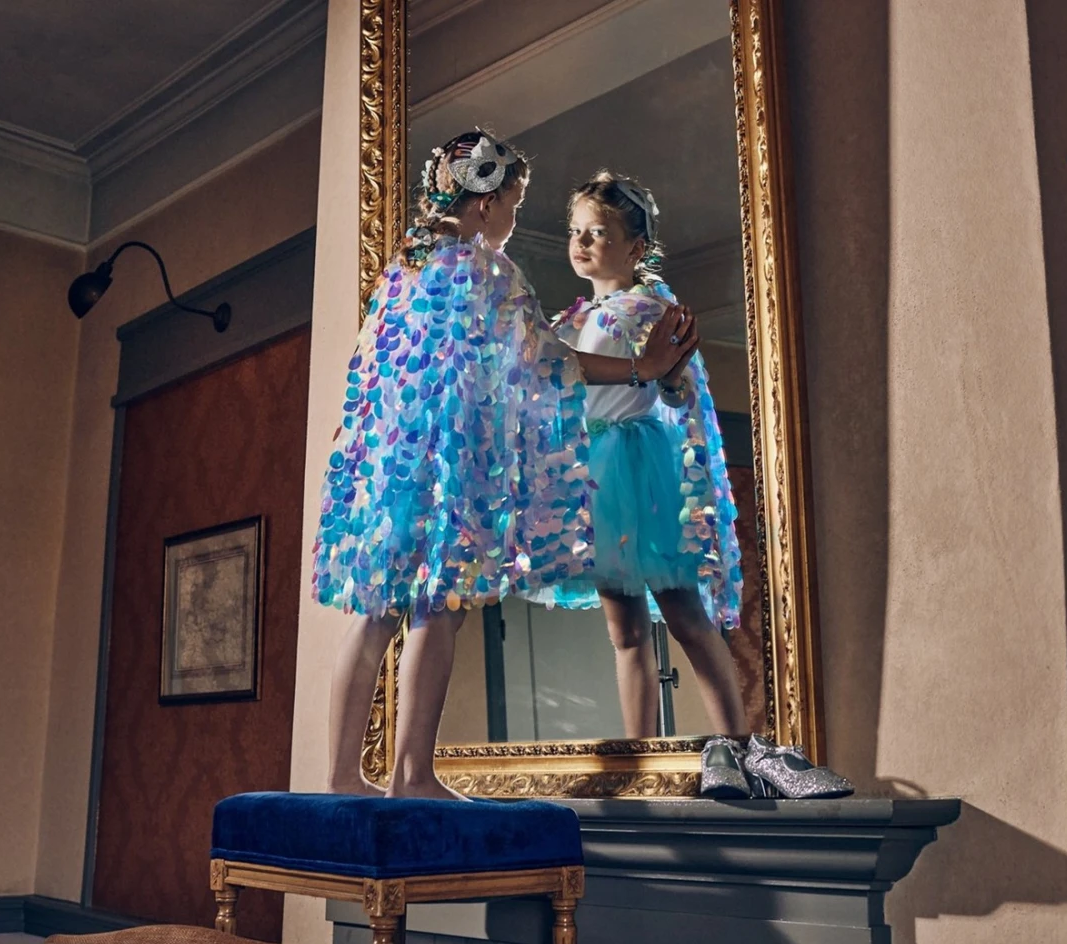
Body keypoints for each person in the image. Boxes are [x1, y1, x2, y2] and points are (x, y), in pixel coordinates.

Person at [314, 135, 700, 799]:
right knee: (441, 607)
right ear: (487, 202)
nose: (514, 220)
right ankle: (412, 774)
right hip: (452, 461)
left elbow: (368, 369)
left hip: (392, 460)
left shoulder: (404, 266)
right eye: (514, 205)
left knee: (376, 611)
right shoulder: (488, 271)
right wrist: (644, 368)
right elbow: (550, 359)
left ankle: (341, 777)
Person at [538, 171, 746, 740]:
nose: (581, 242)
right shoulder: (571, 320)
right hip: (593, 474)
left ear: (635, 248)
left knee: (685, 614)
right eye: (575, 231)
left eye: (597, 232)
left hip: (636, 466)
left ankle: (738, 742)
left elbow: (678, 394)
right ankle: (639, 750)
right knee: (624, 629)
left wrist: (670, 379)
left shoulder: (650, 307)